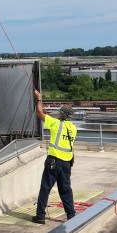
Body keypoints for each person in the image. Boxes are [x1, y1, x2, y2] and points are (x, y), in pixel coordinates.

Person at [32, 89, 77, 224]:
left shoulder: (56, 124)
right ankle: (71, 215)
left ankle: (40, 216)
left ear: (62, 115)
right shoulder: (73, 128)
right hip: (66, 163)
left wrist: (39, 98)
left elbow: (40, 113)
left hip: (53, 161)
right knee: (65, 190)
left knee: (45, 188)